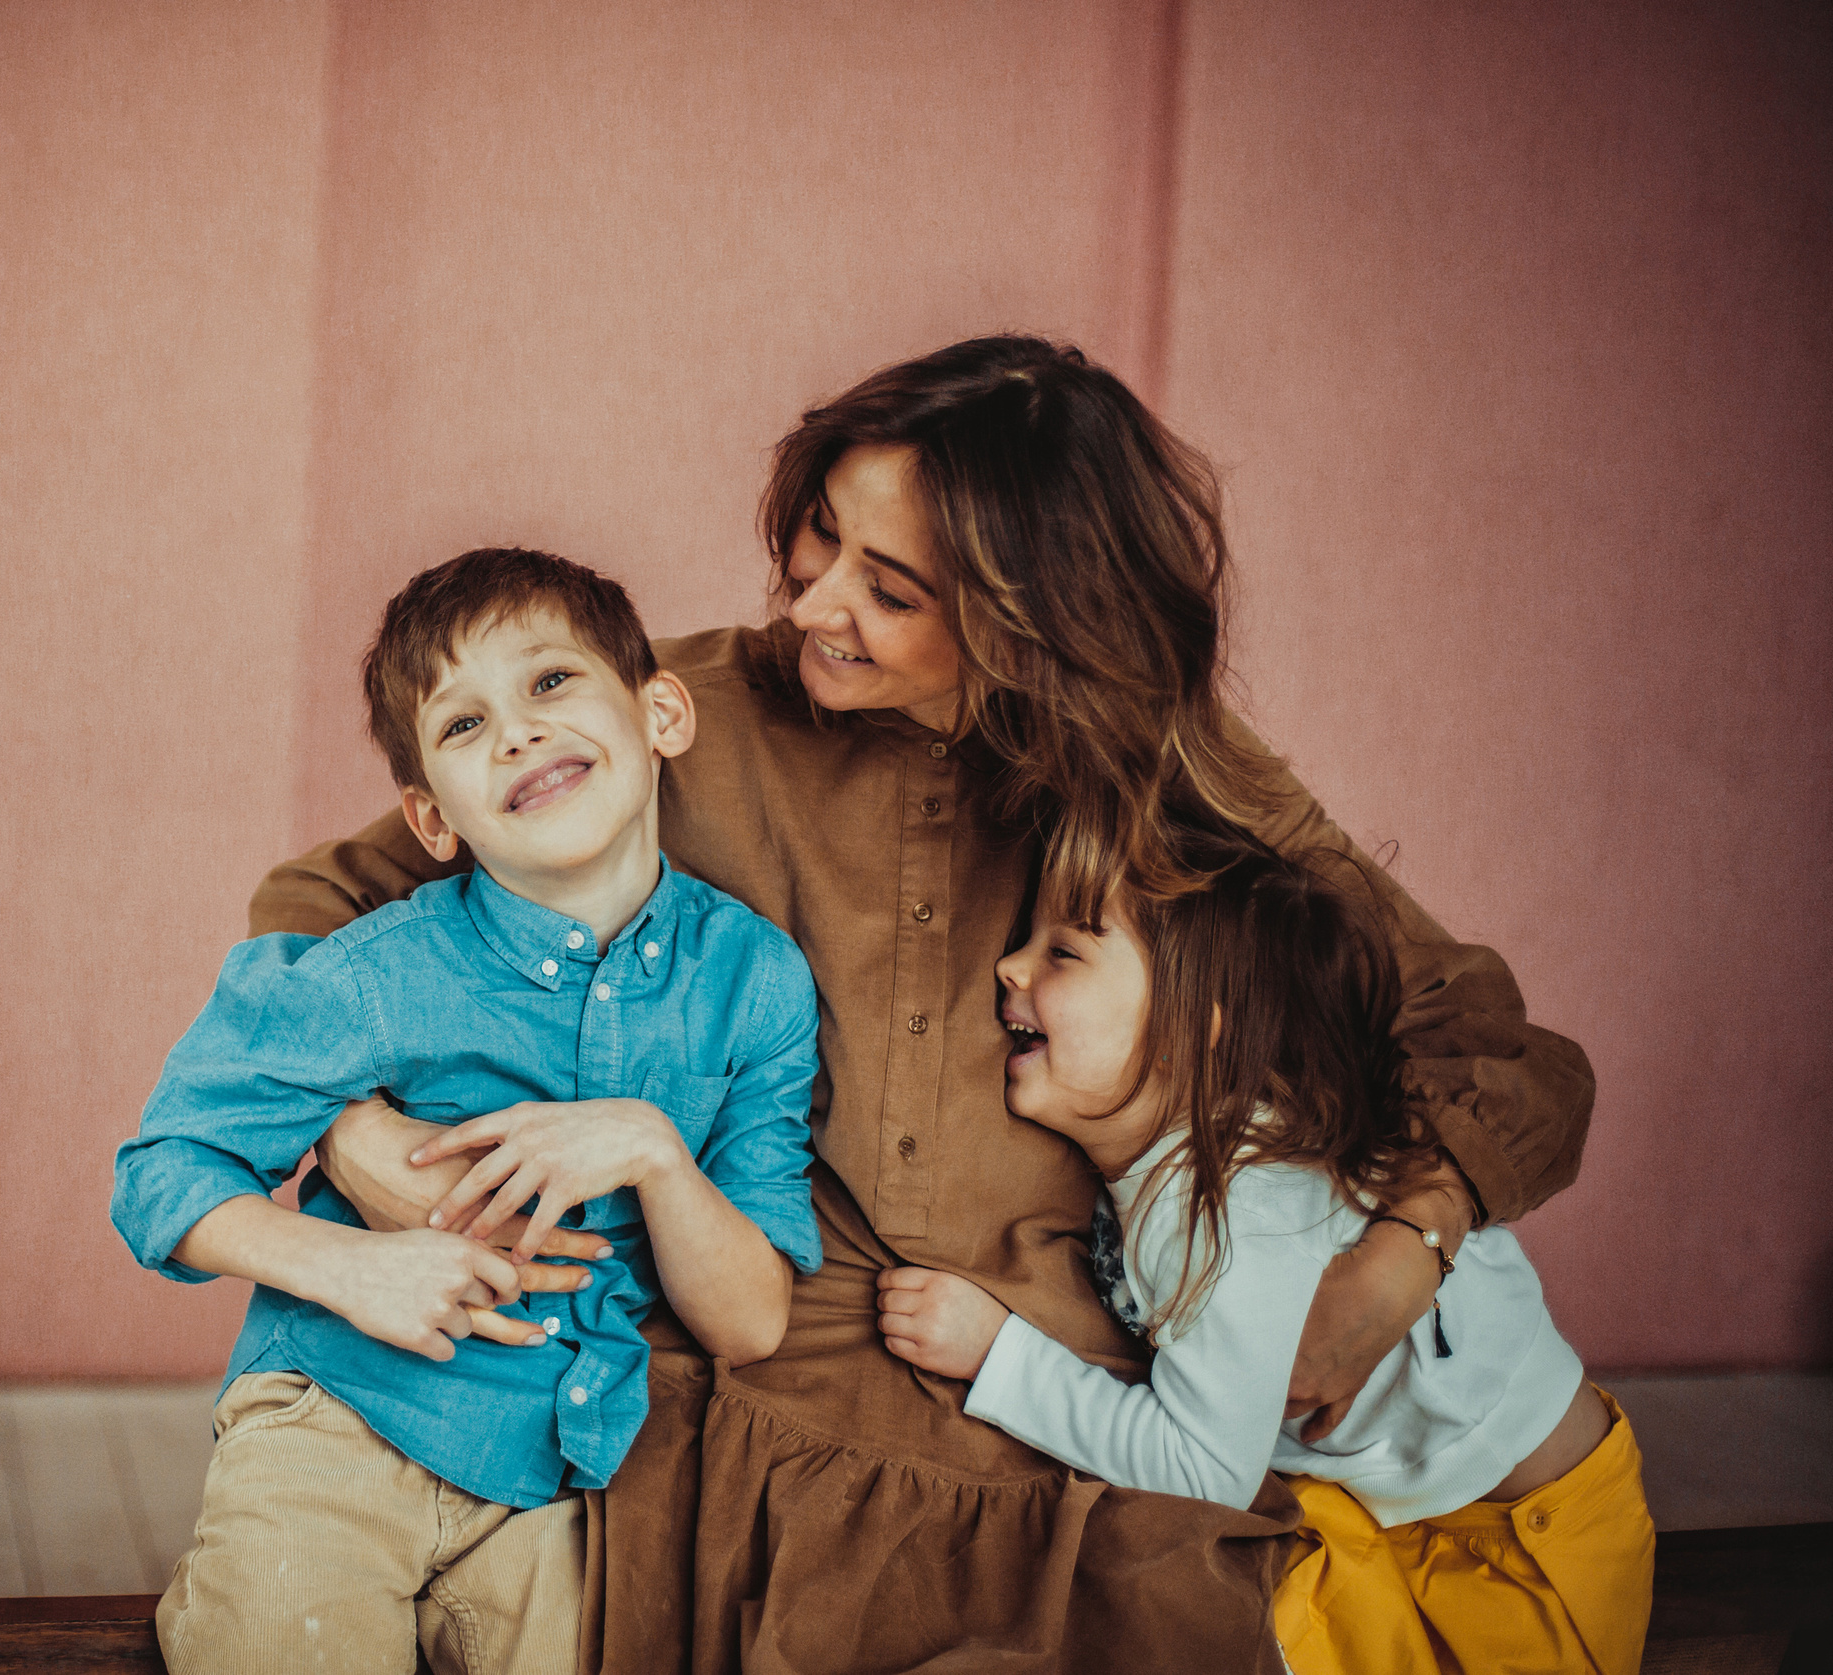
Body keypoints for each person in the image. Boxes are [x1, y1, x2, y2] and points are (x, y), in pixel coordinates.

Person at [261, 336, 1595, 1672]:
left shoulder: (1174, 784)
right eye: (821, 535)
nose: (816, 602)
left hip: (1065, 1437)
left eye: (890, 587)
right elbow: (319, 903)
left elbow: (1494, 1046)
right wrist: (364, 1136)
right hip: (747, 1400)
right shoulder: (681, 714)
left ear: (1035, 620)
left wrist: (1396, 1257)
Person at [111, 547, 825, 1675]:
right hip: (341, 1420)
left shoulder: (755, 982)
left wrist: (652, 1152)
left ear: (662, 714)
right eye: (462, 726)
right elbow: (163, 1169)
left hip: (560, 1474)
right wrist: (349, 1269)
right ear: (431, 819)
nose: (517, 735)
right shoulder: (373, 976)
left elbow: (750, 1322)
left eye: (550, 683)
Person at [877, 833, 1653, 1675]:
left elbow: (1204, 1468)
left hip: (1521, 1554)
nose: (1009, 967)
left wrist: (1002, 1356)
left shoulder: (1226, 1200)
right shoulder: (1184, 1163)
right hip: (1400, 1500)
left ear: (1192, 1026)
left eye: (1062, 950)